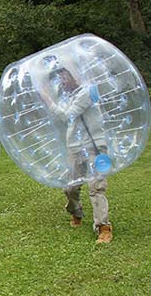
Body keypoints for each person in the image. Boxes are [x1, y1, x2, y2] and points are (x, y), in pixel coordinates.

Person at [43, 66, 112, 244]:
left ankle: (103, 228)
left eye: (64, 78)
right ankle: (76, 212)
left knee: (96, 187)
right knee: (70, 188)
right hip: (75, 147)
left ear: (75, 76)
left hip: (94, 146)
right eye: (59, 80)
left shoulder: (87, 92)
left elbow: (68, 116)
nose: (62, 83)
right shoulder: (68, 97)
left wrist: (48, 101)